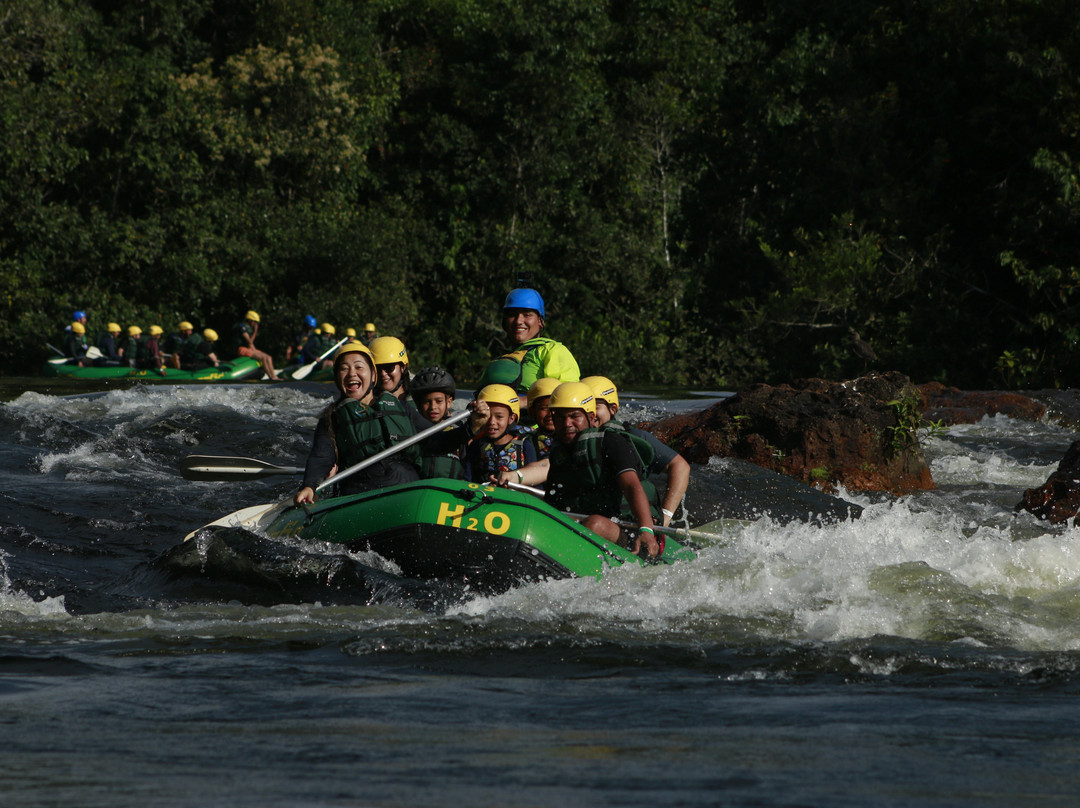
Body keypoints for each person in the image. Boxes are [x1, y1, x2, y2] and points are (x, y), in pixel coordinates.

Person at [294, 340, 433, 505]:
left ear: (373, 376)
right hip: (361, 493)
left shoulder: (401, 408)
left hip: (405, 486)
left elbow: (434, 436)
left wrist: (470, 427)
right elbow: (321, 457)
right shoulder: (332, 418)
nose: (352, 373)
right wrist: (310, 486)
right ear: (337, 378)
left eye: (359, 367)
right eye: (344, 368)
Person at [543, 381, 660, 558]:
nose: (567, 423)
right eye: (560, 417)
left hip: (628, 527)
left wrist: (646, 530)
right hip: (584, 522)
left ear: (591, 418)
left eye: (575, 416)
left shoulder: (612, 441)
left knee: (595, 524)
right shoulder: (559, 452)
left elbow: (631, 485)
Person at [582, 375, 691, 527]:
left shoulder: (633, 437)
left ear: (613, 409)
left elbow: (680, 466)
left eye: (595, 407)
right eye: (585, 410)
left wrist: (666, 516)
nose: (591, 415)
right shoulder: (575, 440)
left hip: (627, 522)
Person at [479, 287, 580, 395]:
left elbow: (567, 396)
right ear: (505, 322)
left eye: (527, 315)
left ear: (540, 321)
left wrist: (520, 402)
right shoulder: (502, 359)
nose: (518, 321)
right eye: (512, 314)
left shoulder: (553, 351)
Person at [410, 366, 490, 479]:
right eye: (426, 402)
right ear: (418, 404)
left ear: (449, 402)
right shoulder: (411, 427)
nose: (433, 407)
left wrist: (476, 422)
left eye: (439, 401)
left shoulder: (461, 426)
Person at [465, 384, 537, 484]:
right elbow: (467, 480)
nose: (492, 422)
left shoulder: (524, 445)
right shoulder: (476, 446)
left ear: (512, 418)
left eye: (499, 417)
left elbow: (534, 482)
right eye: (487, 416)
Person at [229, 310, 279, 380]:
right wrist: (255, 331)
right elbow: (249, 342)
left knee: (268, 357)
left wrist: (255, 350)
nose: (255, 324)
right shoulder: (242, 328)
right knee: (263, 358)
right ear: (250, 320)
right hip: (242, 349)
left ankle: (275, 376)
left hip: (248, 348)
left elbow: (251, 345)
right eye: (255, 322)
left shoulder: (248, 328)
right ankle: (271, 377)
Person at [524, 377, 560, 461]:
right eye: (544, 408)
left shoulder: (572, 438)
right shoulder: (526, 442)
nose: (551, 414)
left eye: (555, 408)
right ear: (532, 411)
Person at [370, 336, 410, 401]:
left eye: (389, 367)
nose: (383, 373)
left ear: (403, 367)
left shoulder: (418, 399)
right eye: (377, 368)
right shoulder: (367, 404)